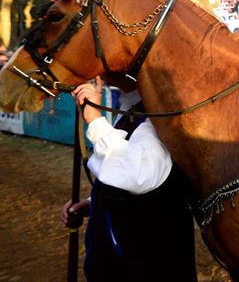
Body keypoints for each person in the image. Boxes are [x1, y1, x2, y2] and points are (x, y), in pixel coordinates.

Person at [61, 78, 196, 282]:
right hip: (116, 259)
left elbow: (137, 172)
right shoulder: (132, 109)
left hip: (145, 265)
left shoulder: (157, 116)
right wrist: (93, 204)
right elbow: (125, 178)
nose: (99, 76)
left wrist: (95, 120)